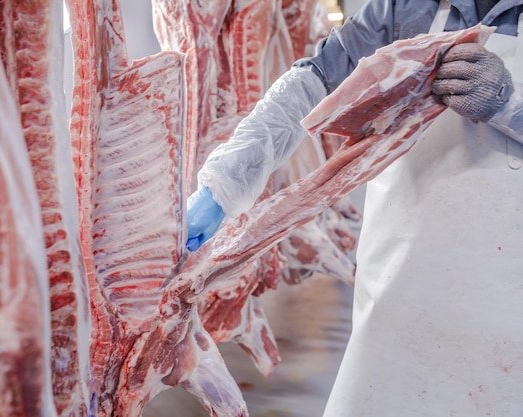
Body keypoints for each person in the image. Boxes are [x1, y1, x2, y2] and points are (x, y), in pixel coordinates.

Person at [186, 0, 523, 415]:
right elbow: (311, 84)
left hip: (509, 308)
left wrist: (510, 105)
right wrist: (221, 185)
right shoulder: (404, 9)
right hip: (397, 291)